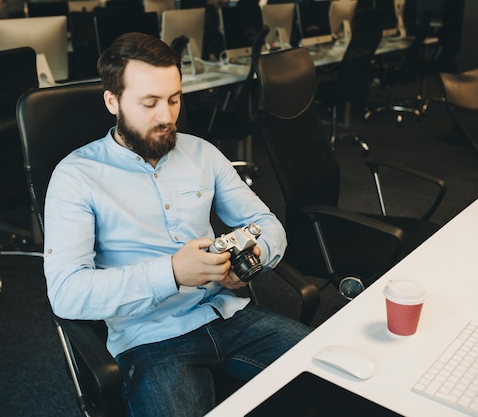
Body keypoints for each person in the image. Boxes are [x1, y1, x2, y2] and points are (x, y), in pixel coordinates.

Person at [43, 32, 311, 417]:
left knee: (332, 378)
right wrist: (171, 273)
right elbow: (66, 292)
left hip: (228, 314)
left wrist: (252, 259)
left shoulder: (202, 153)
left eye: (174, 99)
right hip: (152, 340)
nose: (167, 116)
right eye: (149, 103)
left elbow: (266, 223)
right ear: (112, 101)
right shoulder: (76, 177)